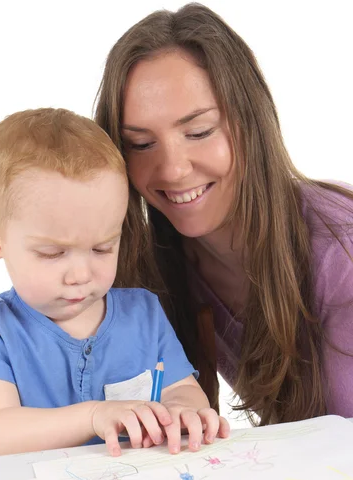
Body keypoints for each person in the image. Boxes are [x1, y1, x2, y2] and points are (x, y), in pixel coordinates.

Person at [94, 2, 353, 425]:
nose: (173, 169)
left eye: (199, 132)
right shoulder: (146, 269)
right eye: (141, 144)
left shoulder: (342, 242)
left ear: (251, 121)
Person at [0, 107, 228, 458]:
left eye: (102, 248)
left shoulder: (142, 314)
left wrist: (181, 411)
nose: (80, 275)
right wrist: (94, 416)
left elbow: (182, 389)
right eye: (52, 253)